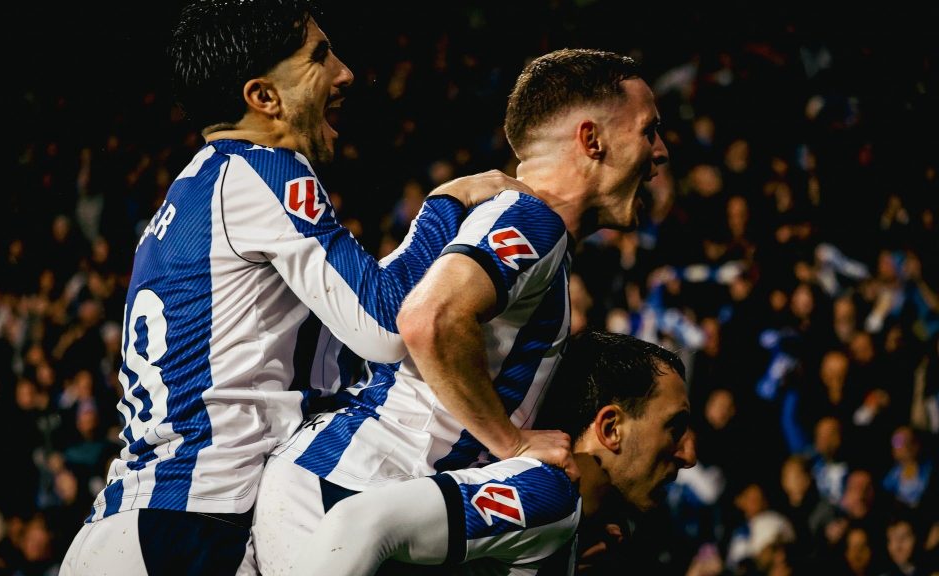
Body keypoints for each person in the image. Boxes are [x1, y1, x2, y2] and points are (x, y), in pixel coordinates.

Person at [59, 1, 522, 574]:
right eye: (320, 56)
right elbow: (383, 324)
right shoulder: (264, 169)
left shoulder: (190, 192)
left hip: (127, 523)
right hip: (195, 528)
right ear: (264, 98)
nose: (345, 72)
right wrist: (444, 206)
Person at [255, 48, 670, 574]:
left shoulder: (523, 229)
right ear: (592, 140)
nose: (660, 152)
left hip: (345, 489)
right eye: (649, 130)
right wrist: (513, 443)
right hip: (352, 493)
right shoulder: (531, 219)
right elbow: (428, 320)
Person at [289, 330, 695, 575]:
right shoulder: (547, 493)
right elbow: (360, 524)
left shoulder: (582, 530)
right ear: (611, 428)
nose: (689, 453)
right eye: (674, 427)